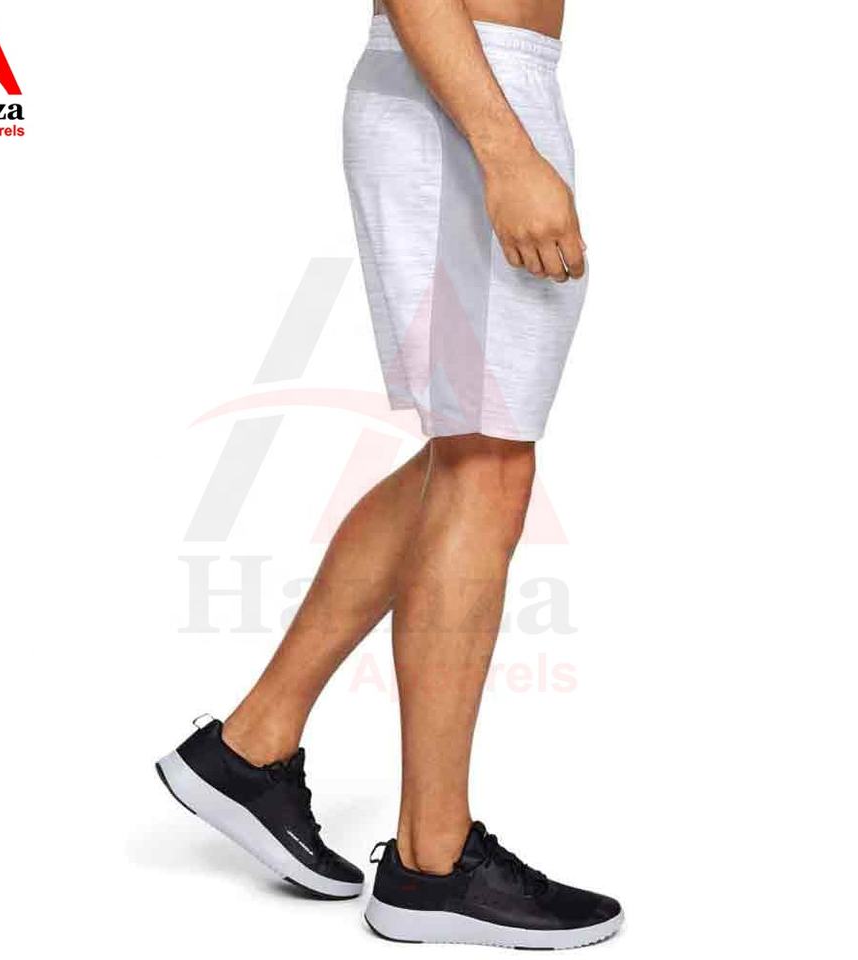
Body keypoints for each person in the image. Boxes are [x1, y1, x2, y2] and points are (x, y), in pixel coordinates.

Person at [157, 0, 622, 948]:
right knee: (488, 464)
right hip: (464, 90)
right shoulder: (484, 121)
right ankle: (431, 863)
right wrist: (506, 151)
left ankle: (249, 749)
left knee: (470, 456)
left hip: (480, 84)